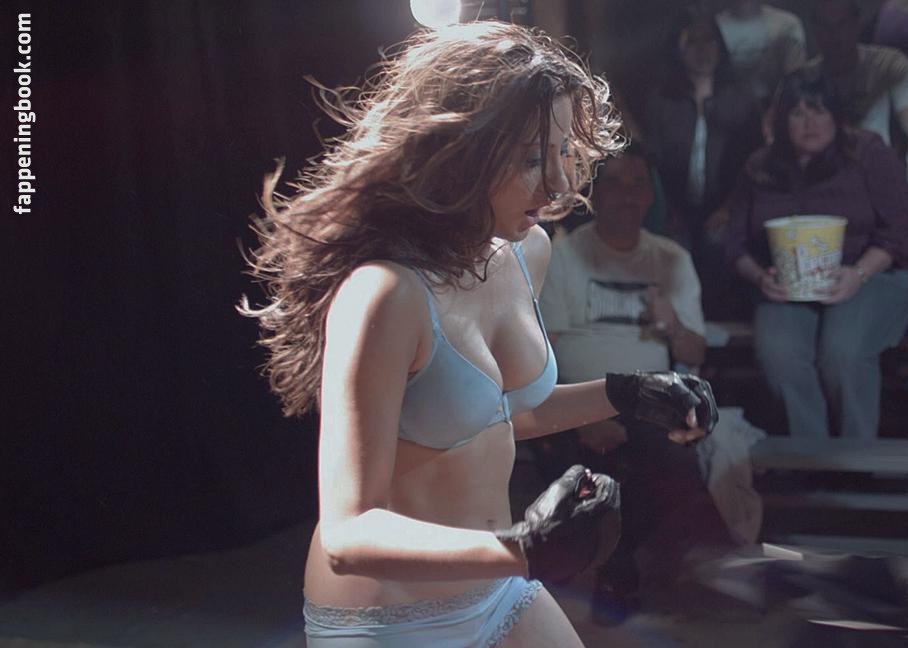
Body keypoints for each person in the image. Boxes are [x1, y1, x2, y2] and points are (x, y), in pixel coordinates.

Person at [238, 22, 717, 647]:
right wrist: (522, 548)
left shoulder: (526, 251)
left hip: (498, 589)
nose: (556, 185)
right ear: (460, 149)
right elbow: (348, 533)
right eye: (530, 159)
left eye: (561, 154)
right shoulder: (384, 294)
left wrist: (627, 393)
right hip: (388, 619)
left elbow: (501, 413)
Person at [537, 148, 728, 625]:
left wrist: (671, 324)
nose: (626, 195)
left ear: (650, 196)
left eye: (637, 184)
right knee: (575, 462)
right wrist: (585, 415)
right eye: (615, 184)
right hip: (576, 396)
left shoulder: (671, 259)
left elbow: (695, 353)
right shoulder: (563, 255)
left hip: (649, 398)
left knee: (676, 462)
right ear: (595, 194)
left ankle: (615, 564)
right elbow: (545, 350)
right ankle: (608, 571)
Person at [723, 69, 908, 439]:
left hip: (869, 275)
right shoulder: (761, 167)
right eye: (798, 113)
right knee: (780, 353)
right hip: (790, 285)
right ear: (782, 120)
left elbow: (899, 230)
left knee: (843, 352)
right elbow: (734, 243)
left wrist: (858, 274)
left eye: (819, 111)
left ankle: (856, 457)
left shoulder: (868, 153)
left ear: (836, 116)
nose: (809, 123)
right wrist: (761, 277)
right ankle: (811, 453)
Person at [643, 9, 761, 320]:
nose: (702, 50)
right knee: (674, 247)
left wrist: (728, 208)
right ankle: (681, 325)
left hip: (726, 204)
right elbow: (652, 160)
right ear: (678, 49)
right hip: (675, 206)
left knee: (717, 242)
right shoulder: (662, 99)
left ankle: (718, 325)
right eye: (692, 42)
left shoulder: (741, 97)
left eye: (709, 41)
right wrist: (668, 209)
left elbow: (753, 161)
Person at [808, 0, 908, 217]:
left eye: (841, 25)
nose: (834, 35)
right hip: (824, 185)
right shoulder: (806, 77)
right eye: (826, 27)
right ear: (815, 30)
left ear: (856, 25)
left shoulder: (889, 64)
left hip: (882, 179)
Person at [714, 0, 808, 104]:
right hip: (730, 106)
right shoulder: (713, 28)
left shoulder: (787, 24)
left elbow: (796, 83)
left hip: (779, 104)